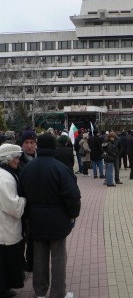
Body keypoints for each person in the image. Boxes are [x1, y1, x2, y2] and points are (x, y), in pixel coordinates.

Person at [19, 133, 81, 298]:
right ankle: (58, 293)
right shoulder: (61, 168)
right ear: (54, 147)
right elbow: (72, 195)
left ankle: (40, 292)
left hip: (35, 220)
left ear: (38, 146)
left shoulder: (27, 169)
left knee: (39, 258)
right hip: (58, 220)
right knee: (59, 259)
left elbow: (21, 195)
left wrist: (26, 216)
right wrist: (73, 214)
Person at [0, 144, 26, 298]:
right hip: (5, 228)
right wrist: (23, 200)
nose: (18, 161)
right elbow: (13, 207)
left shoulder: (6, 174)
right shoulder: (5, 179)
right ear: (7, 160)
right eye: (16, 158)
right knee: (4, 263)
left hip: (5, 227)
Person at [17, 127, 37, 273]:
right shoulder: (17, 161)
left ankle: (31, 264)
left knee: (33, 239)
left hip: (36, 208)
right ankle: (20, 264)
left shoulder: (40, 158)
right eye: (26, 142)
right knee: (21, 239)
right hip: (21, 207)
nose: (29, 145)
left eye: (32, 142)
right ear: (22, 144)